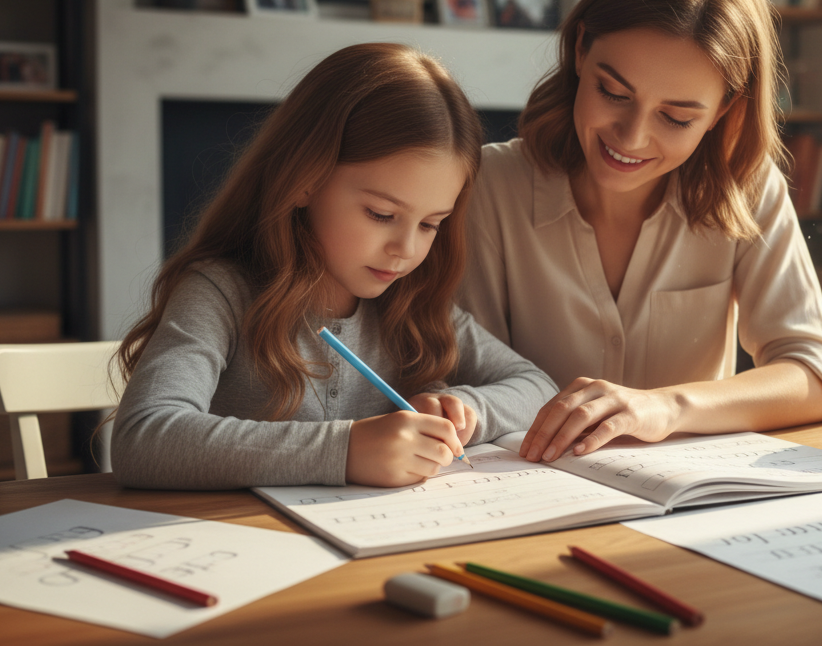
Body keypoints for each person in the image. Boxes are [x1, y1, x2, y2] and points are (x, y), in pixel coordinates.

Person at [458, 0, 822, 464]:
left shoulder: (748, 187)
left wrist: (665, 408)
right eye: (614, 93)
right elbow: (466, 379)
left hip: (689, 502)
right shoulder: (490, 184)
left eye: (676, 118)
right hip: (527, 492)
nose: (632, 138)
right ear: (581, 51)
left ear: (722, 111)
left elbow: (819, 376)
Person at [110, 43, 557, 490]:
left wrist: (465, 409)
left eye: (430, 224)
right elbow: (143, 437)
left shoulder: (413, 306)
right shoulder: (221, 292)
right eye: (381, 215)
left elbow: (538, 387)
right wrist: (346, 449)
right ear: (305, 179)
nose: (405, 249)